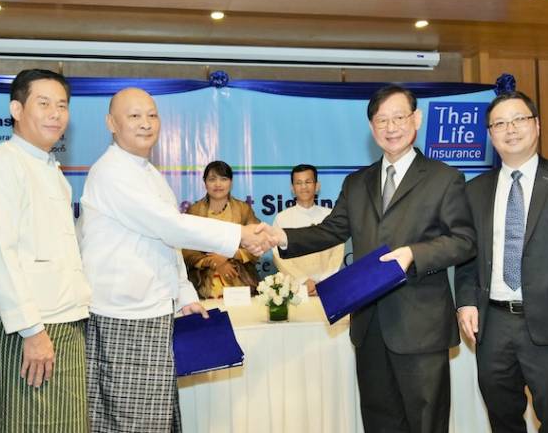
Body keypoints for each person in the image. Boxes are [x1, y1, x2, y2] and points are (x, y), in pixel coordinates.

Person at [264, 84, 476, 433]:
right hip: (369, 325)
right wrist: (282, 237)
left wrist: (414, 254)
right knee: (379, 422)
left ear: (417, 119)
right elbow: (330, 230)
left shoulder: (444, 178)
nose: (391, 127)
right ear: (371, 127)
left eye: (399, 118)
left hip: (420, 326)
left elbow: (464, 241)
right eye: (382, 120)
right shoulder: (357, 182)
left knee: (426, 423)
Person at [77, 87, 273, 432]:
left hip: (155, 311)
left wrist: (184, 295)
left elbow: (168, 241)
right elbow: (170, 225)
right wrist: (240, 235)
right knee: (131, 422)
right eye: (134, 116)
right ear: (111, 123)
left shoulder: (148, 173)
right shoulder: (111, 171)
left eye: (152, 115)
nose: (146, 123)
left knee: (159, 418)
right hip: (124, 317)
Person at [455, 91, 548, 433]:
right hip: (492, 325)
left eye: (518, 119)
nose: (510, 129)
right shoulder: (474, 190)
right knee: (502, 418)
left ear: (537, 125)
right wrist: (465, 301)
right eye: (499, 123)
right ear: (490, 134)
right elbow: (467, 255)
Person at [0, 69, 91, 432]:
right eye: (44, 103)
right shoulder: (0, 165)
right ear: (17, 109)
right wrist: (32, 331)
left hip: (64, 323)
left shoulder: (50, 168)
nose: (56, 114)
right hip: (28, 330)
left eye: (62, 105)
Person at [183, 160, 261, 298]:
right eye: (212, 179)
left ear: (231, 182)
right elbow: (186, 249)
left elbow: (257, 243)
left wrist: (227, 255)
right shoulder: (194, 211)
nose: (218, 184)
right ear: (205, 183)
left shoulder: (243, 209)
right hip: (202, 282)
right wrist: (215, 263)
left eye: (223, 179)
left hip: (240, 279)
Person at [272, 164, 344, 296]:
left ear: (317, 186)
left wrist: (324, 281)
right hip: (294, 288)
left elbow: (338, 252)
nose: (303, 187)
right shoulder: (282, 218)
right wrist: (303, 280)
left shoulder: (330, 215)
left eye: (308, 182)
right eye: (298, 183)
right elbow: (277, 255)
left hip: (327, 287)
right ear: (292, 188)